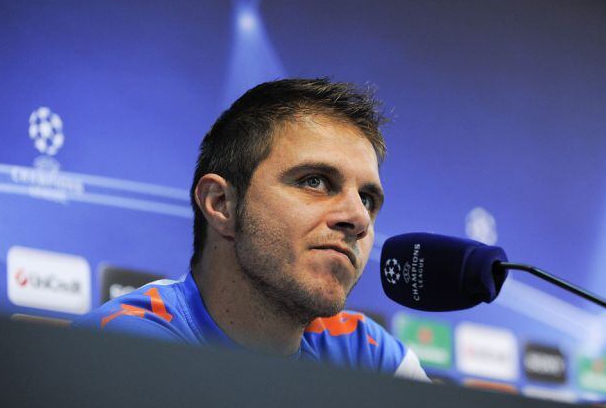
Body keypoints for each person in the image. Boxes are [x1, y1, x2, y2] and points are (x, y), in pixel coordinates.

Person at [77, 78, 429, 382]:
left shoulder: (368, 355)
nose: (358, 218)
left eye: (367, 198)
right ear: (221, 204)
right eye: (315, 181)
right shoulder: (125, 346)